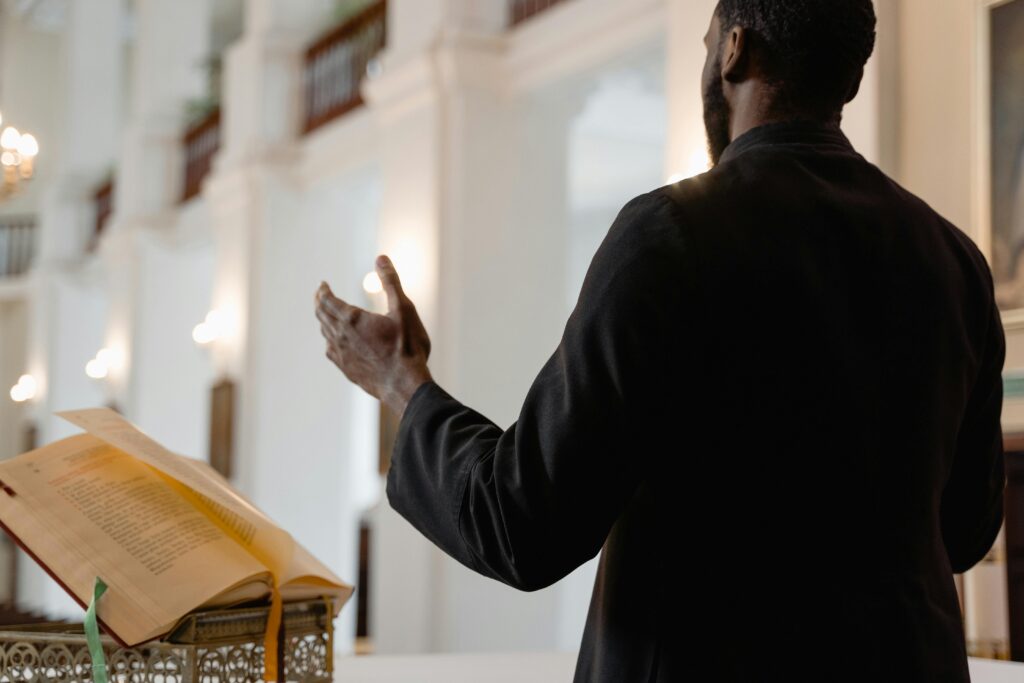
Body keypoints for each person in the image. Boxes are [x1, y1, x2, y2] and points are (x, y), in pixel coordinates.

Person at [315, 0, 1005, 680]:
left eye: (708, 44)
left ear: (735, 50)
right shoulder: (953, 260)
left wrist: (398, 380)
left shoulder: (671, 237)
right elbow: (967, 530)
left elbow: (523, 521)